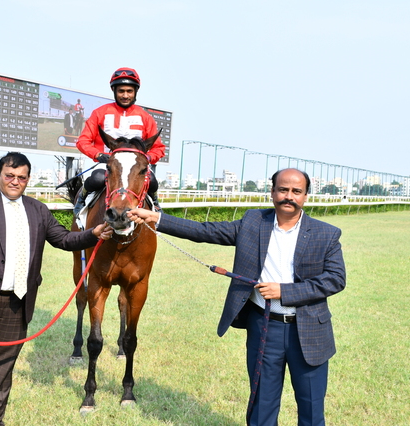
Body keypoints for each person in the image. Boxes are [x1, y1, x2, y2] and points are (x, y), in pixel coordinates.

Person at [127, 168, 346, 426]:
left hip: (309, 331)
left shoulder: (326, 233)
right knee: (261, 406)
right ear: (272, 192)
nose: (289, 196)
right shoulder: (253, 222)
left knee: (311, 410)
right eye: (283, 190)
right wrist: (157, 218)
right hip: (265, 326)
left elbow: (335, 279)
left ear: (306, 196)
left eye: (296, 191)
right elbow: (205, 231)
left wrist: (285, 291)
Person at [0, 152, 112, 426]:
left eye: (21, 177)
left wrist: (93, 233)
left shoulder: (37, 210)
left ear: (28, 179)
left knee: (2, 375)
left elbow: (64, 239)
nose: (15, 181)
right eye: (9, 175)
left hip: (17, 305)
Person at [73, 67, 166, 218]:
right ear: (114, 91)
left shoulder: (146, 117)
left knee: (152, 180)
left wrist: (147, 158)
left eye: (129, 91)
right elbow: (83, 141)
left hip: (135, 166)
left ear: (135, 92)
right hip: (108, 163)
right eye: (121, 91)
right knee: (97, 178)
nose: (125, 95)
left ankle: (155, 203)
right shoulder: (99, 113)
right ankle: (81, 201)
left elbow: (159, 148)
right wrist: (98, 154)